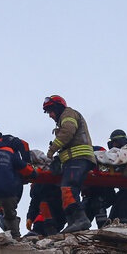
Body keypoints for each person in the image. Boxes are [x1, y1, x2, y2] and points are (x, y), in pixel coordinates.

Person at [43, 95, 96, 232]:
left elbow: (68, 131)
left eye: (51, 111)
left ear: (58, 107)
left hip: (79, 159)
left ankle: (80, 219)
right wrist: (59, 159)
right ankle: (73, 222)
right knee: (66, 190)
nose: (50, 115)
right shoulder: (64, 117)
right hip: (73, 160)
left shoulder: (68, 114)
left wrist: (51, 151)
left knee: (69, 189)